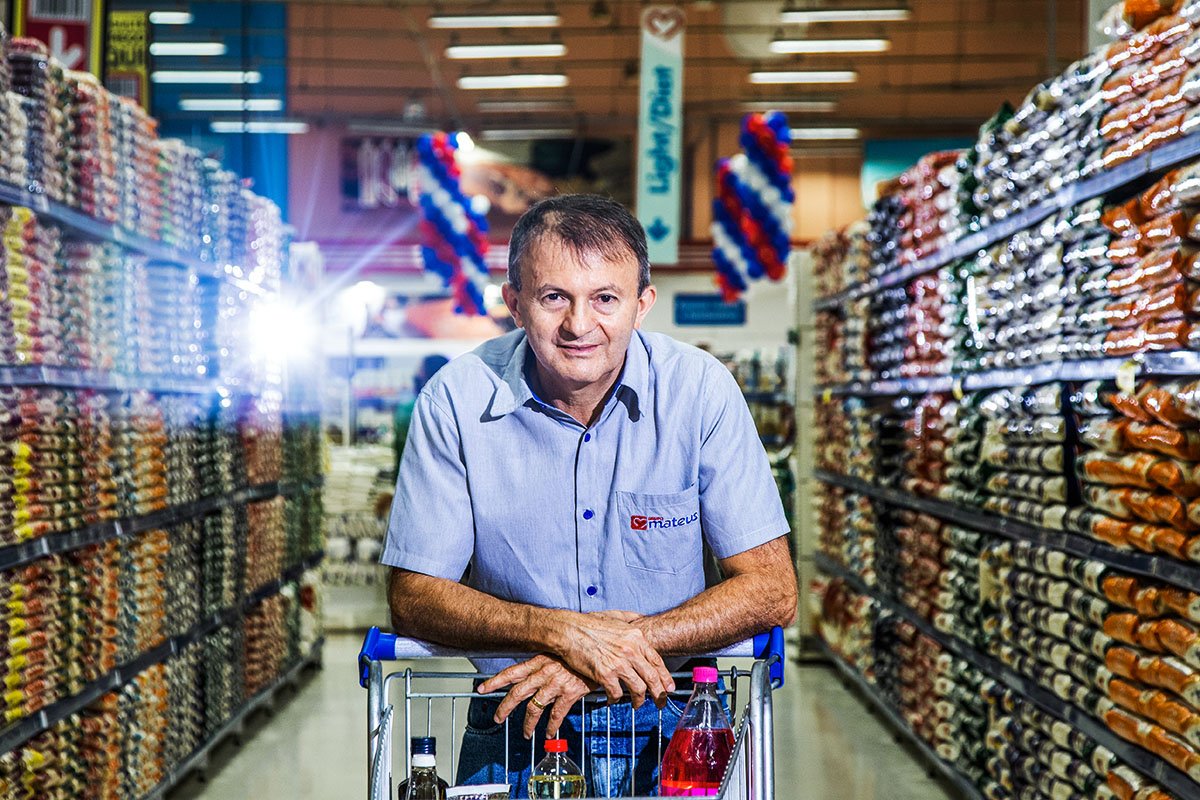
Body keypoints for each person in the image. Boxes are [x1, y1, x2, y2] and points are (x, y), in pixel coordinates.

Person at [382, 194, 797, 797]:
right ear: (515, 304)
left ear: (641, 305)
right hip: (512, 727)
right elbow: (413, 597)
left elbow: (772, 588)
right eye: (555, 297)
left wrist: (610, 649)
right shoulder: (456, 401)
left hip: (671, 725)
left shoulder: (699, 393)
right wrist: (559, 633)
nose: (580, 325)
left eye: (606, 298)